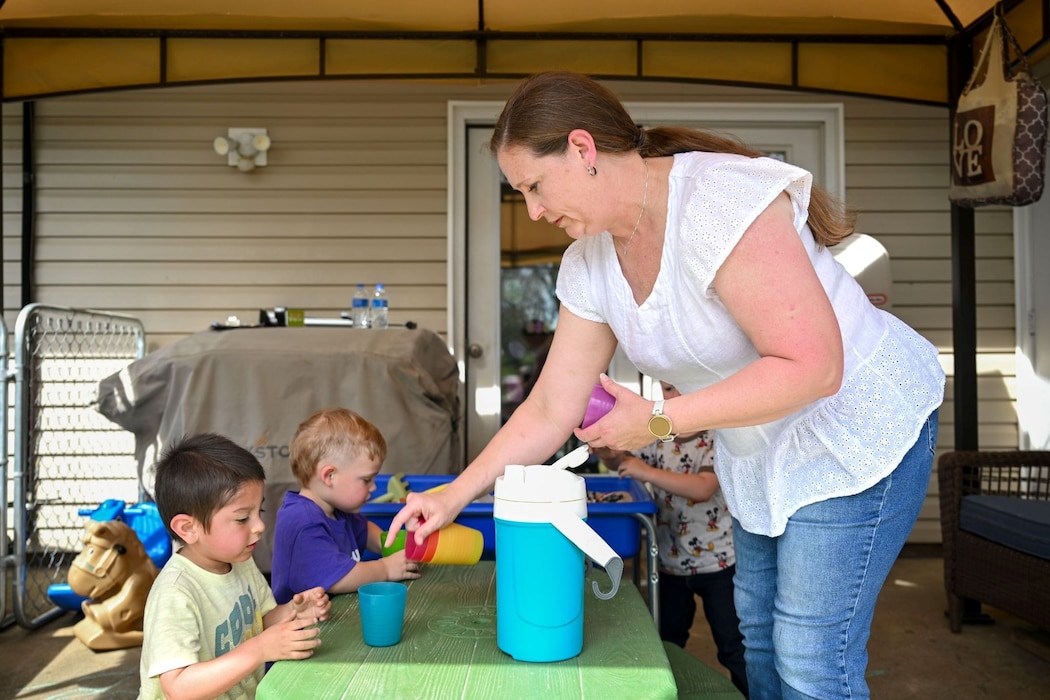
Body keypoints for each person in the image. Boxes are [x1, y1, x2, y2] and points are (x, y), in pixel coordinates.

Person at [388, 70, 944, 699]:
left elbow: (814, 366)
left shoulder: (717, 201)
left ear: (581, 148)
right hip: (762, 448)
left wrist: (654, 419)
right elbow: (548, 404)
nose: (534, 210)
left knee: (809, 651)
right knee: (758, 636)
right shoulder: (592, 259)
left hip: (856, 429)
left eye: (534, 186)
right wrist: (455, 495)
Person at [139, 433, 331, 700]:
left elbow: (254, 624)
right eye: (242, 518)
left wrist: (292, 612)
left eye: (258, 512)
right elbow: (178, 688)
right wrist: (260, 650)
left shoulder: (240, 562)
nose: (260, 526)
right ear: (188, 528)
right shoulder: (175, 593)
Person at [596, 380, 748, 698]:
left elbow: (704, 486)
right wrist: (609, 454)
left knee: (734, 646)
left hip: (718, 563)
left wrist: (645, 471)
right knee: (666, 641)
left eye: (683, 386)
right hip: (667, 562)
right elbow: (626, 462)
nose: (675, 396)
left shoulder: (717, 436)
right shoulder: (659, 435)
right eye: (667, 389)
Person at [270, 407, 420, 604]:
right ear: (329, 476)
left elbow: (367, 531)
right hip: (303, 630)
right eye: (366, 479)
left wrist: (394, 545)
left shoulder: (337, 511)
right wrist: (386, 568)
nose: (374, 487)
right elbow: (339, 580)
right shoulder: (302, 521)